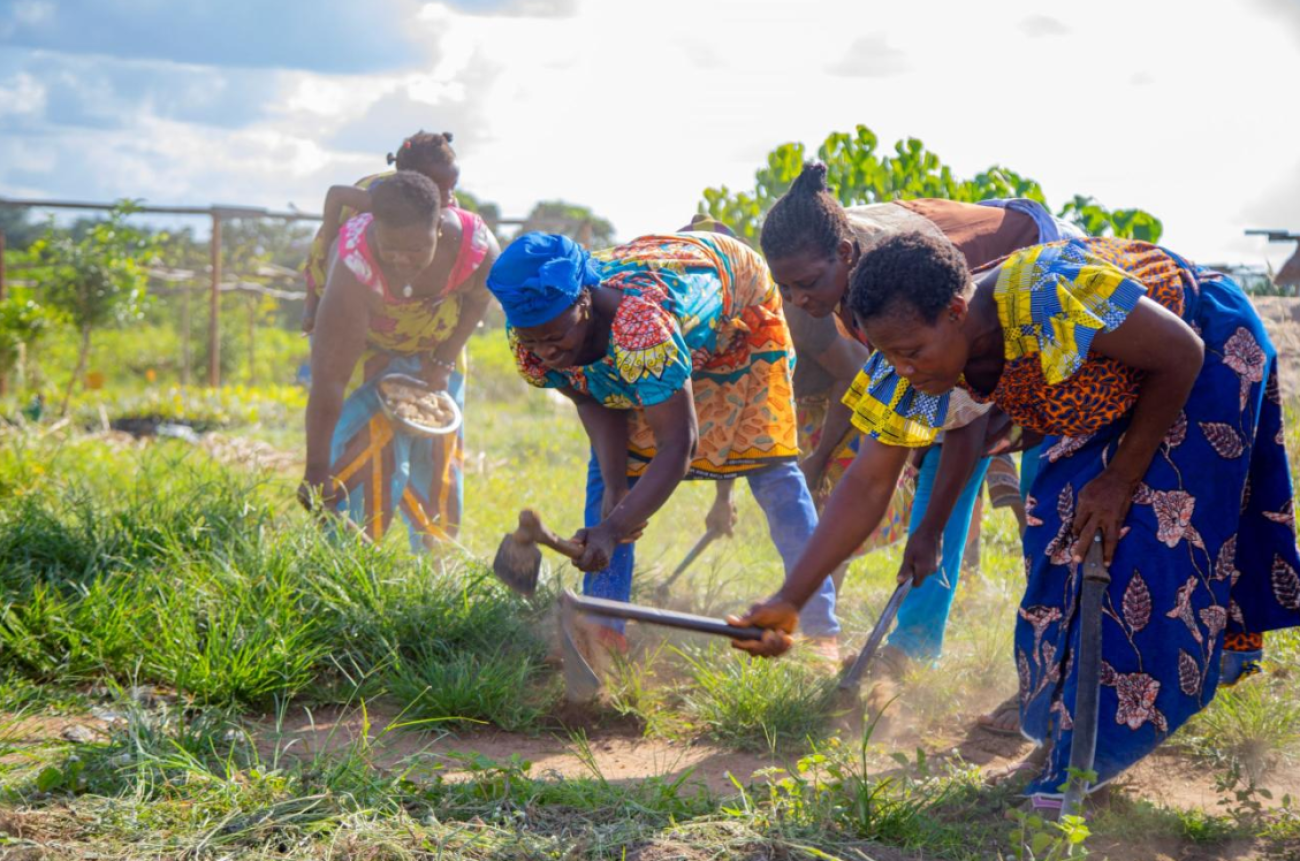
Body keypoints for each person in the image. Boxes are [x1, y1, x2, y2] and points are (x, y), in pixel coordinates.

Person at [733, 231, 1300, 813]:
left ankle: (1093, 757)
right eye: (890, 355)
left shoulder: (1046, 292)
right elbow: (869, 482)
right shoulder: (915, 360)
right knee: (1059, 544)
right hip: (1095, 396)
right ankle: (1065, 739)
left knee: (1149, 547)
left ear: (956, 312)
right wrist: (790, 598)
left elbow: (1181, 353)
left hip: (1201, 352)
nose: (902, 368)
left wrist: (1120, 479)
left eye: (911, 352)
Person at [755, 162, 1079, 668]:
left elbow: (960, 421)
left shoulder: (910, 286)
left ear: (845, 255)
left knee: (1053, 499)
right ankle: (913, 648)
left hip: (1052, 327)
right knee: (936, 480)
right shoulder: (845, 283)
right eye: (786, 289)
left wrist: (927, 524)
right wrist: (789, 598)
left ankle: (1052, 662)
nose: (797, 299)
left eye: (806, 284)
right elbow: (884, 446)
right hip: (968, 356)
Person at [485, 230, 840, 656]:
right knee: (609, 481)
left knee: (770, 466)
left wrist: (614, 529)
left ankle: (820, 632)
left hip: (737, 299)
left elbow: (678, 444)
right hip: (651, 324)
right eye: (532, 340)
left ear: (583, 300)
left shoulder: (640, 330)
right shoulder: (530, 328)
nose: (544, 351)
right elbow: (588, 394)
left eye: (554, 336)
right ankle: (602, 629)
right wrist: (618, 492)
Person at [299, 171, 498, 546]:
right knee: (361, 456)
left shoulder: (476, 247)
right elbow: (329, 379)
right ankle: (345, 562)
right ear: (374, 228)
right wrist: (315, 469)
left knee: (436, 466)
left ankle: (434, 568)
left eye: (415, 250)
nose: (401, 260)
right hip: (369, 351)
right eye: (390, 248)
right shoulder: (353, 270)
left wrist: (444, 359)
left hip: (437, 354)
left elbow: (478, 299)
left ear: (438, 227)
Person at [302, 131, 461, 334]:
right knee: (324, 263)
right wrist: (330, 241)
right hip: (347, 226)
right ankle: (312, 303)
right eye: (440, 189)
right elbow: (336, 194)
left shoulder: (450, 207)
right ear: (412, 181)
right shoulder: (378, 197)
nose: (449, 196)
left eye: (453, 186)